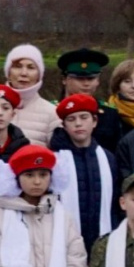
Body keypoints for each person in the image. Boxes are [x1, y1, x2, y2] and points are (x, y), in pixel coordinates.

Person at [49, 95, 119, 250]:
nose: (78, 123)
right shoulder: (54, 160)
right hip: (65, 242)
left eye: (84, 117)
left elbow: (114, 203)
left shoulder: (108, 158)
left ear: (94, 121)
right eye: (71, 119)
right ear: (64, 125)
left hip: (103, 239)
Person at [2, 45, 59, 147]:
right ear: (8, 73)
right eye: (18, 66)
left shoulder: (52, 113)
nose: (24, 73)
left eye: (31, 67)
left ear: (39, 75)